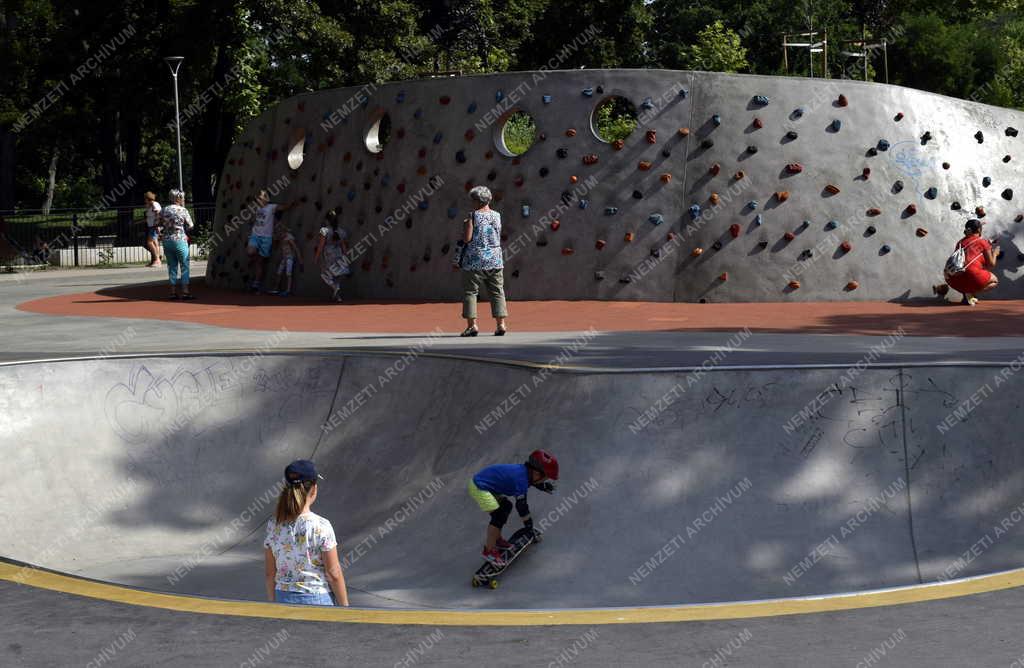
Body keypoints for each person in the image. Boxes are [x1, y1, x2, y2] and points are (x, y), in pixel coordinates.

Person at [264, 459, 349, 607]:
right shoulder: (322, 525)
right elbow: (333, 574)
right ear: (314, 489)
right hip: (317, 599)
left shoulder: (274, 525)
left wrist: (273, 603)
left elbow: (270, 574)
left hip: (283, 598)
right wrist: (345, 607)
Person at [467, 450, 558, 567]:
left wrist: (542, 486)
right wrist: (529, 526)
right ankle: (488, 551)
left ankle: (497, 539)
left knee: (506, 506)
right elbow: (521, 506)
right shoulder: (521, 479)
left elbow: (531, 481)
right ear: (536, 473)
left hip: (487, 485)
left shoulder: (525, 472)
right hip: (479, 487)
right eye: (544, 479)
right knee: (499, 515)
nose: (544, 481)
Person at [459, 186, 508, 337]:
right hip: (495, 259)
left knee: (471, 292)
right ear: (489, 199)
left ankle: (472, 326)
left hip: (475, 260)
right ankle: (501, 324)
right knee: (497, 292)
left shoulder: (472, 216)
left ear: (475, 201)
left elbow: (467, 239)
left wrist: (466, 224)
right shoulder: (497, 215)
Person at [935, 218, 999, 306]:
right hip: (972, 277)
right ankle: (971, 293)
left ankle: (966, 294)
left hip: (952, 279)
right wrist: (995, 254)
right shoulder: (983, 242)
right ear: (979, 230)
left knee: (968, 272)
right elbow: (991, 265)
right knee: (994, 281)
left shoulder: (960, 242)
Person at [248, 190, 295, 293]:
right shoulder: (256, 208)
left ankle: (256, 284)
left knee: (260, 262)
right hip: (255, 235)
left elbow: (284, 207)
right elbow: (253, 218)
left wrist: (292, 203)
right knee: (251, 252)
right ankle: (254, 259)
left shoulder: (271, 207)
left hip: (266, 237)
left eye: (260, 198)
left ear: (266, 199)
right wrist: (252, 221)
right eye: (257, 198)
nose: (258, 199)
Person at [159, 189, 195, 300]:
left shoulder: (164, 210)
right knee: (184, 266)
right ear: (178, 199)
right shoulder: (183, 210)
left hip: (167, 240)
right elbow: (191, 225)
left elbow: (158, 223)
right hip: (180, 240)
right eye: (183, 198)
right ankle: (185, 291)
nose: (183, 200)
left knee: (172, 267)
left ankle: (173, 292)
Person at [314, 209, 351, 302]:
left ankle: (334, 287)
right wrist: (346, 256)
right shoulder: (341, 231)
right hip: (338, 253)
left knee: (324, 274)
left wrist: (316, 257)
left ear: (327, 220)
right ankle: (338, 296)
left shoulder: (324, 230)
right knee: (337, 275)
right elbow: (343, 245)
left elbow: (321, 246)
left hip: (328, 253)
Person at [267, 224, 302, 297]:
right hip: (284, 257)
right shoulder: (281, 237)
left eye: (279, 231)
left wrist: (300, 260)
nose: (278, 233)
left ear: (282, 230)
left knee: (288, 274)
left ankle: (288, 290)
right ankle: (275, 289)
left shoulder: (289, 237)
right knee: (279, 272)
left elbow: (295, 248)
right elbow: (276, 243)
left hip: (290, 257)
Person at [142, 192, 162, 267]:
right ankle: (157, 260)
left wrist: (157, 225)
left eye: (145, 199)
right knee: (155, 243)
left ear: (147, 198)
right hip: (151, 226)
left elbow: (158, 213)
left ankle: (157, 260)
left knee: (149, 243)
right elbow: (149, 217)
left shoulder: (154, 204)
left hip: (154, 226)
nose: (144, 200)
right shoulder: (150, 205)